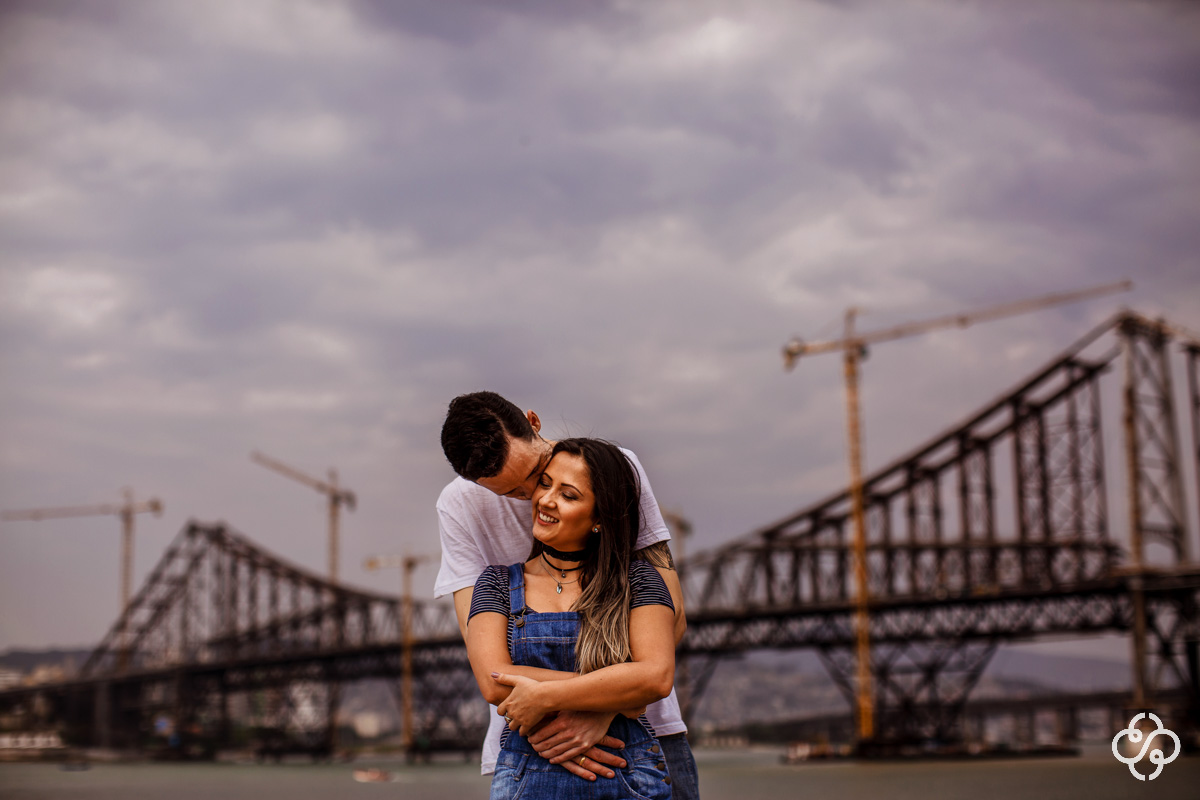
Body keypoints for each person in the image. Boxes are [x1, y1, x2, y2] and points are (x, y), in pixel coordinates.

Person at [436, 392, 699, 799]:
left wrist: (604, 710)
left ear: (534, 422)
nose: (536, 498)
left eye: (537, 474)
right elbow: (489, 666)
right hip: (533, 741)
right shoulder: (458, 507)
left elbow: (673, 617)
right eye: (512, 494)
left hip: (646, 738)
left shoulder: (615, 468)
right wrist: (610, 692)